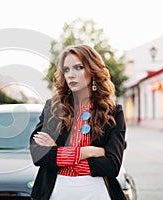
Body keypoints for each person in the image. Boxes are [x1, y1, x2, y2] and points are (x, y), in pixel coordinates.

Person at [30, 44, 127, 200]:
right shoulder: (53, 108)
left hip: (97, 192)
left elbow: (112, 165)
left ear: (93, 70)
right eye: (66, 70)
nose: (70, 75)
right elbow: (38, 155)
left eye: (78, 67)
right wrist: (89, 151)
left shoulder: (113, 111)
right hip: (56, 190)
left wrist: (58, 153)